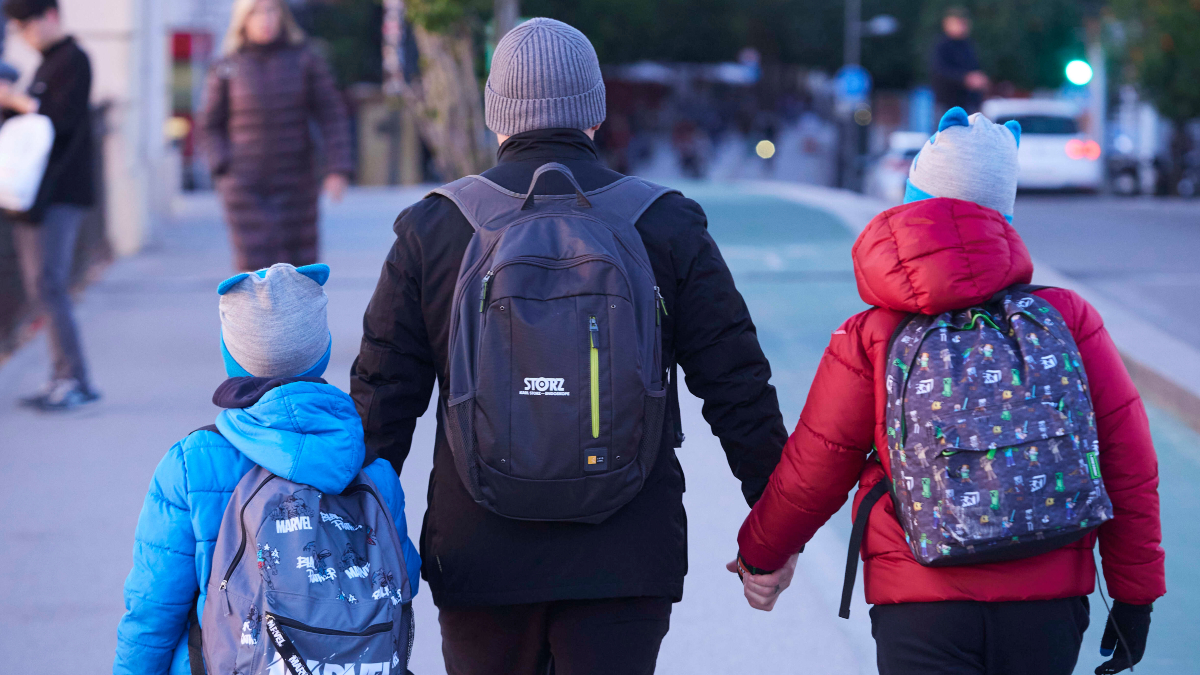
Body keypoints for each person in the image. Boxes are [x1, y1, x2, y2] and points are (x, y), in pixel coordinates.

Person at [351, 18, 786, 675]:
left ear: (499, 112)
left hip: (478, 556)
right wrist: (773, 533)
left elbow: (380, 404)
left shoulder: (436, 228)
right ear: (593, 110)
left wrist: (355, 540)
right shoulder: (664, 221)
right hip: (626, 555)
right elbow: (737, 385)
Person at [733, 109, 1165, 675]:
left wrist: (761, 556)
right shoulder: (1066, 318)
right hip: (1048, 602)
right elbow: (1127, 460)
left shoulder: (874, 333)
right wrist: (1136, 594)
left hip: (919, 602)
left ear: (912, 203)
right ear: (1004, 215)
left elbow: (817, 464)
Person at [113, 263, 421, 675]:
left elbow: (153, 608)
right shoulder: (371, 470)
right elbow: (403, 582)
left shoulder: (193, 462)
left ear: (231, 355)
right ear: (322, 351)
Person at [198, 0, 352, 272]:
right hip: (245, 188)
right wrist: (223, 167)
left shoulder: (305, 59)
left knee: (299, 275)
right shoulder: (227, 66)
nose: (265, 19)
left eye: (271, 10)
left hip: (297, 185)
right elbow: (210, 124)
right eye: (256, 12)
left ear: (282, 15)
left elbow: (332, 114)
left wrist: (337, 168)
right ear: (243, 19)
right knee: (255, 279)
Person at [2, 0, 98, 410]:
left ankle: (73, 379)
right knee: (42, 286)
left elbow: (59, 120)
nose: (25, 34)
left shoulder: (73, 60)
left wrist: (15, 100)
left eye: (28, 24)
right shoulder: (46, 63)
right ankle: (62, 375)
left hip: (60, 193)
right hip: (36, 197)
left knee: (49, 284)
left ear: (50, 16)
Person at [931, 7, 989, 116]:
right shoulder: (942, 46)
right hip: (947, 103)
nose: (962, 26)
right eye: (958, 23)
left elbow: (975, 68)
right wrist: (965, 78)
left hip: (968, 103)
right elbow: (940, 71)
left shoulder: (968, 45)